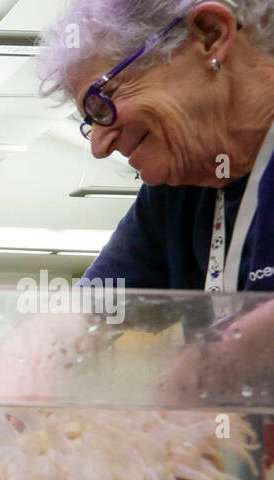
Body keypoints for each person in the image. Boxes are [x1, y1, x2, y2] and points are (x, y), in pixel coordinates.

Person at [36, 0, 274, 402]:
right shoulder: (180, 186)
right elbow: (79, 317)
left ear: (210, 35)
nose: (98, 144)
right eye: (88, 121)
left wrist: (221, 357)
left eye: (102, 100)